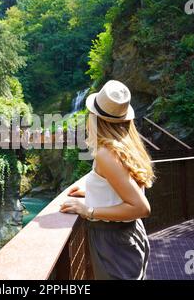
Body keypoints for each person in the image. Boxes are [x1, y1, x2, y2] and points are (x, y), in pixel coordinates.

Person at [60, 80, 154, 280]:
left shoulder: (107, 153)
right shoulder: (125, 146)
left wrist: (89, 211)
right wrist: (93, 192)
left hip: (113, 242)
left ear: (95, 117)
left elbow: (141, 207)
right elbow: (123, 186)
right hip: (127, 235)